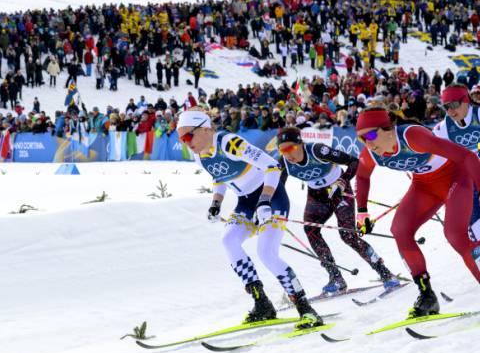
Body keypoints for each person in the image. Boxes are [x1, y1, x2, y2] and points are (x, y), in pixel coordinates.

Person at [177, 108, 322, 328]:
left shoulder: (230, 143)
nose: (185, 142)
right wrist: (216, 203)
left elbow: (272, 166)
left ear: (205, 129)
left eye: (188, 135)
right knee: (229, 241)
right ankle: (262, 303)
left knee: (266, 253)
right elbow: (219, 176)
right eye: (181, 137)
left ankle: (306, 310)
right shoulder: (198, 154)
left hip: (272, 197)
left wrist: (264, 201)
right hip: (245, 202)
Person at [354, 106, 480, 318]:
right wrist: (362, 212)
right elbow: (362, 177)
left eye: (372, 135)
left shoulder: (413, 136)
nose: (368, 143)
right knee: (400, 229)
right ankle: (427, 296)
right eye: (362, 139)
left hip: (455, 178)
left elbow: (466, 156)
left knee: (455, 235)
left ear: (388, 128)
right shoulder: (371, 153)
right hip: (424, 186)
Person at [275, 127, 397, 293]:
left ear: (301, 144)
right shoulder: (284, 162)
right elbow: (278, 188)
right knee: (310, 230)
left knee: (348, 235)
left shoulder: (318, 150)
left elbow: (354, 162)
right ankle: (336, 277)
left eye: (291, 148)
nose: (288, 154)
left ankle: (385, 273)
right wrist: (272, 210)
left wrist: (342, 181)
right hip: (317, 196)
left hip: (339, 190)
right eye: (283, 150)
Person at [432, 83, 480, 265]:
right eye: (446, 107)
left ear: (466, 101)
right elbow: (436, 159)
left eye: (454, 105)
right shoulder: (442, 129)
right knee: (474, 222)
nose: (450, 112)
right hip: (467, 179)